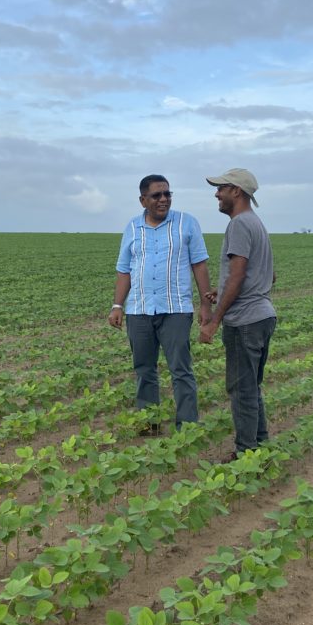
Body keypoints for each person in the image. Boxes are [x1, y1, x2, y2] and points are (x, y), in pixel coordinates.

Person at [109, 175, 213, 434]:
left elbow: (199, 263)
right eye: (156, 195)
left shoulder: (187, 223)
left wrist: (205, 304)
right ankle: (149, 423)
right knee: (144, 369)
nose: (163, 199)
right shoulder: (132, 228)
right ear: (143, 200)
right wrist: (117, 306)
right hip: (139, 310)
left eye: (167, 194)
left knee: (181, 369)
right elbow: (124, 270)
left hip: (175, 309)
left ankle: (187, 427)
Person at [199, 168, 276, 459]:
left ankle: (246, 454)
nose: (216, 194)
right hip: (262, 315)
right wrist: (223, 289)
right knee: (251, 387)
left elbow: (239, 273)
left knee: (241, 389)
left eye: (221, 188)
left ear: (237, 192)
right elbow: (269, 275)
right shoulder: (256, 223)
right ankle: (259, 445)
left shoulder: (240, 225)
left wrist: (214, 320)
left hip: (245, 321)